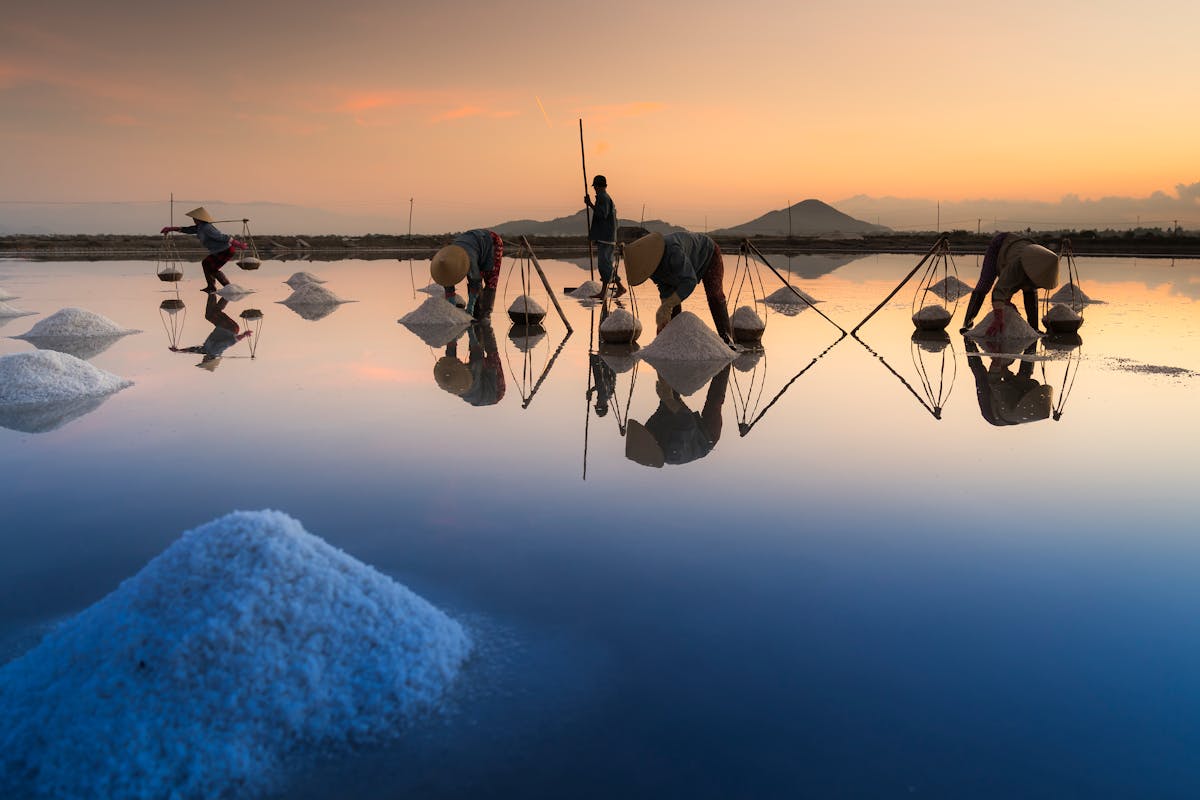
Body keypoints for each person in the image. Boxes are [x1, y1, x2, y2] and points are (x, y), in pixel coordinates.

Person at [622, 231, 733, 343]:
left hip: (708, 253)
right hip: (685, 265)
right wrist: (665, 307)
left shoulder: (673, 251)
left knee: (714, 295)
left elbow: (689, 281)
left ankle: (727, 340)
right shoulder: (651, 267)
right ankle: (674, 342)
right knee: (671, 306)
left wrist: (668, 304)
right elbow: (663, 285)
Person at [625, 364, 730, 467]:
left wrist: (663, 381)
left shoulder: (648, 429)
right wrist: (668, 399)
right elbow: (687, 422)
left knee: (672, 391)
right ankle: (727, 360)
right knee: (714, 400)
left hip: (684, 426)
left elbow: (663, 410)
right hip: (707, 437)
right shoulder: (673, 453)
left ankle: (682, 356)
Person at [960, 233, 1058, 335]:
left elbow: (1027, 285)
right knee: (984, 284)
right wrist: (998, 318)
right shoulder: (1016, 265)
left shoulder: (1039, 264)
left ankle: (1034, 328)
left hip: (1018, 247)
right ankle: (967, 324)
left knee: (1030, 289)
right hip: (1000, 246)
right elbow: (998, 291)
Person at [161, 207, 247, 292]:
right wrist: (170, 229)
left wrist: (238, 244)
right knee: (206, 263)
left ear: (200, 219)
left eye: (195, 218)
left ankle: (229, 288)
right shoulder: (199, 227)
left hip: (226, 250)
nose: (193, 220)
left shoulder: (207, 227)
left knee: (213, 269)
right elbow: (186, 229)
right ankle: (211, 286)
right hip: (218, 251)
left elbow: (221, 237)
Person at [430, 229, 503, 320]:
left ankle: (485, 315)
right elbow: (448, 284)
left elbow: (475, 280)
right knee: (476, 308)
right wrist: (451, 306)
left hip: (491, 241)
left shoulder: (468, 259)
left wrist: (471, 304)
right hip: (471, 243)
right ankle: (477, 311)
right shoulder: (446, 262)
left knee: (490, 280)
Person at [169, 292, 252, 370]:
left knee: (212, 313)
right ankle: (224, 293)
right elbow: (229, 342)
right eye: (203, 361)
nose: (202, 360)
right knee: (210, 314)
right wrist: (244, 335)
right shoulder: (215, 351)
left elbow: (193, 350)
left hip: (224, 327)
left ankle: (217, 293)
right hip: (229, 328)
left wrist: (178, 350)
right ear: (209, 360)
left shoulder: (206, 350)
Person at [433, 319, 506, 406]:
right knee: (492, 354)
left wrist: (453, 330)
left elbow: (451, 348)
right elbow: (478, 353)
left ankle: (477, 327)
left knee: (475, 353)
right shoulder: (471, 377)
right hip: (496, 392)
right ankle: (485, 326)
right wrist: (470, 329)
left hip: (478, 391)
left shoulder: (453, 379)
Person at [584, 175, 624, 297]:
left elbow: (602, 214)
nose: (594, 188)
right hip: (607, 237)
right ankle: (604, 291)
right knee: (605, 264)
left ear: (598, 186)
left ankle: (620, 288)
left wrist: (590, 204)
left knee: (604, 265)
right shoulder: (604, 197)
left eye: (595, 186)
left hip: (606, 237)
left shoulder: (603, 197)